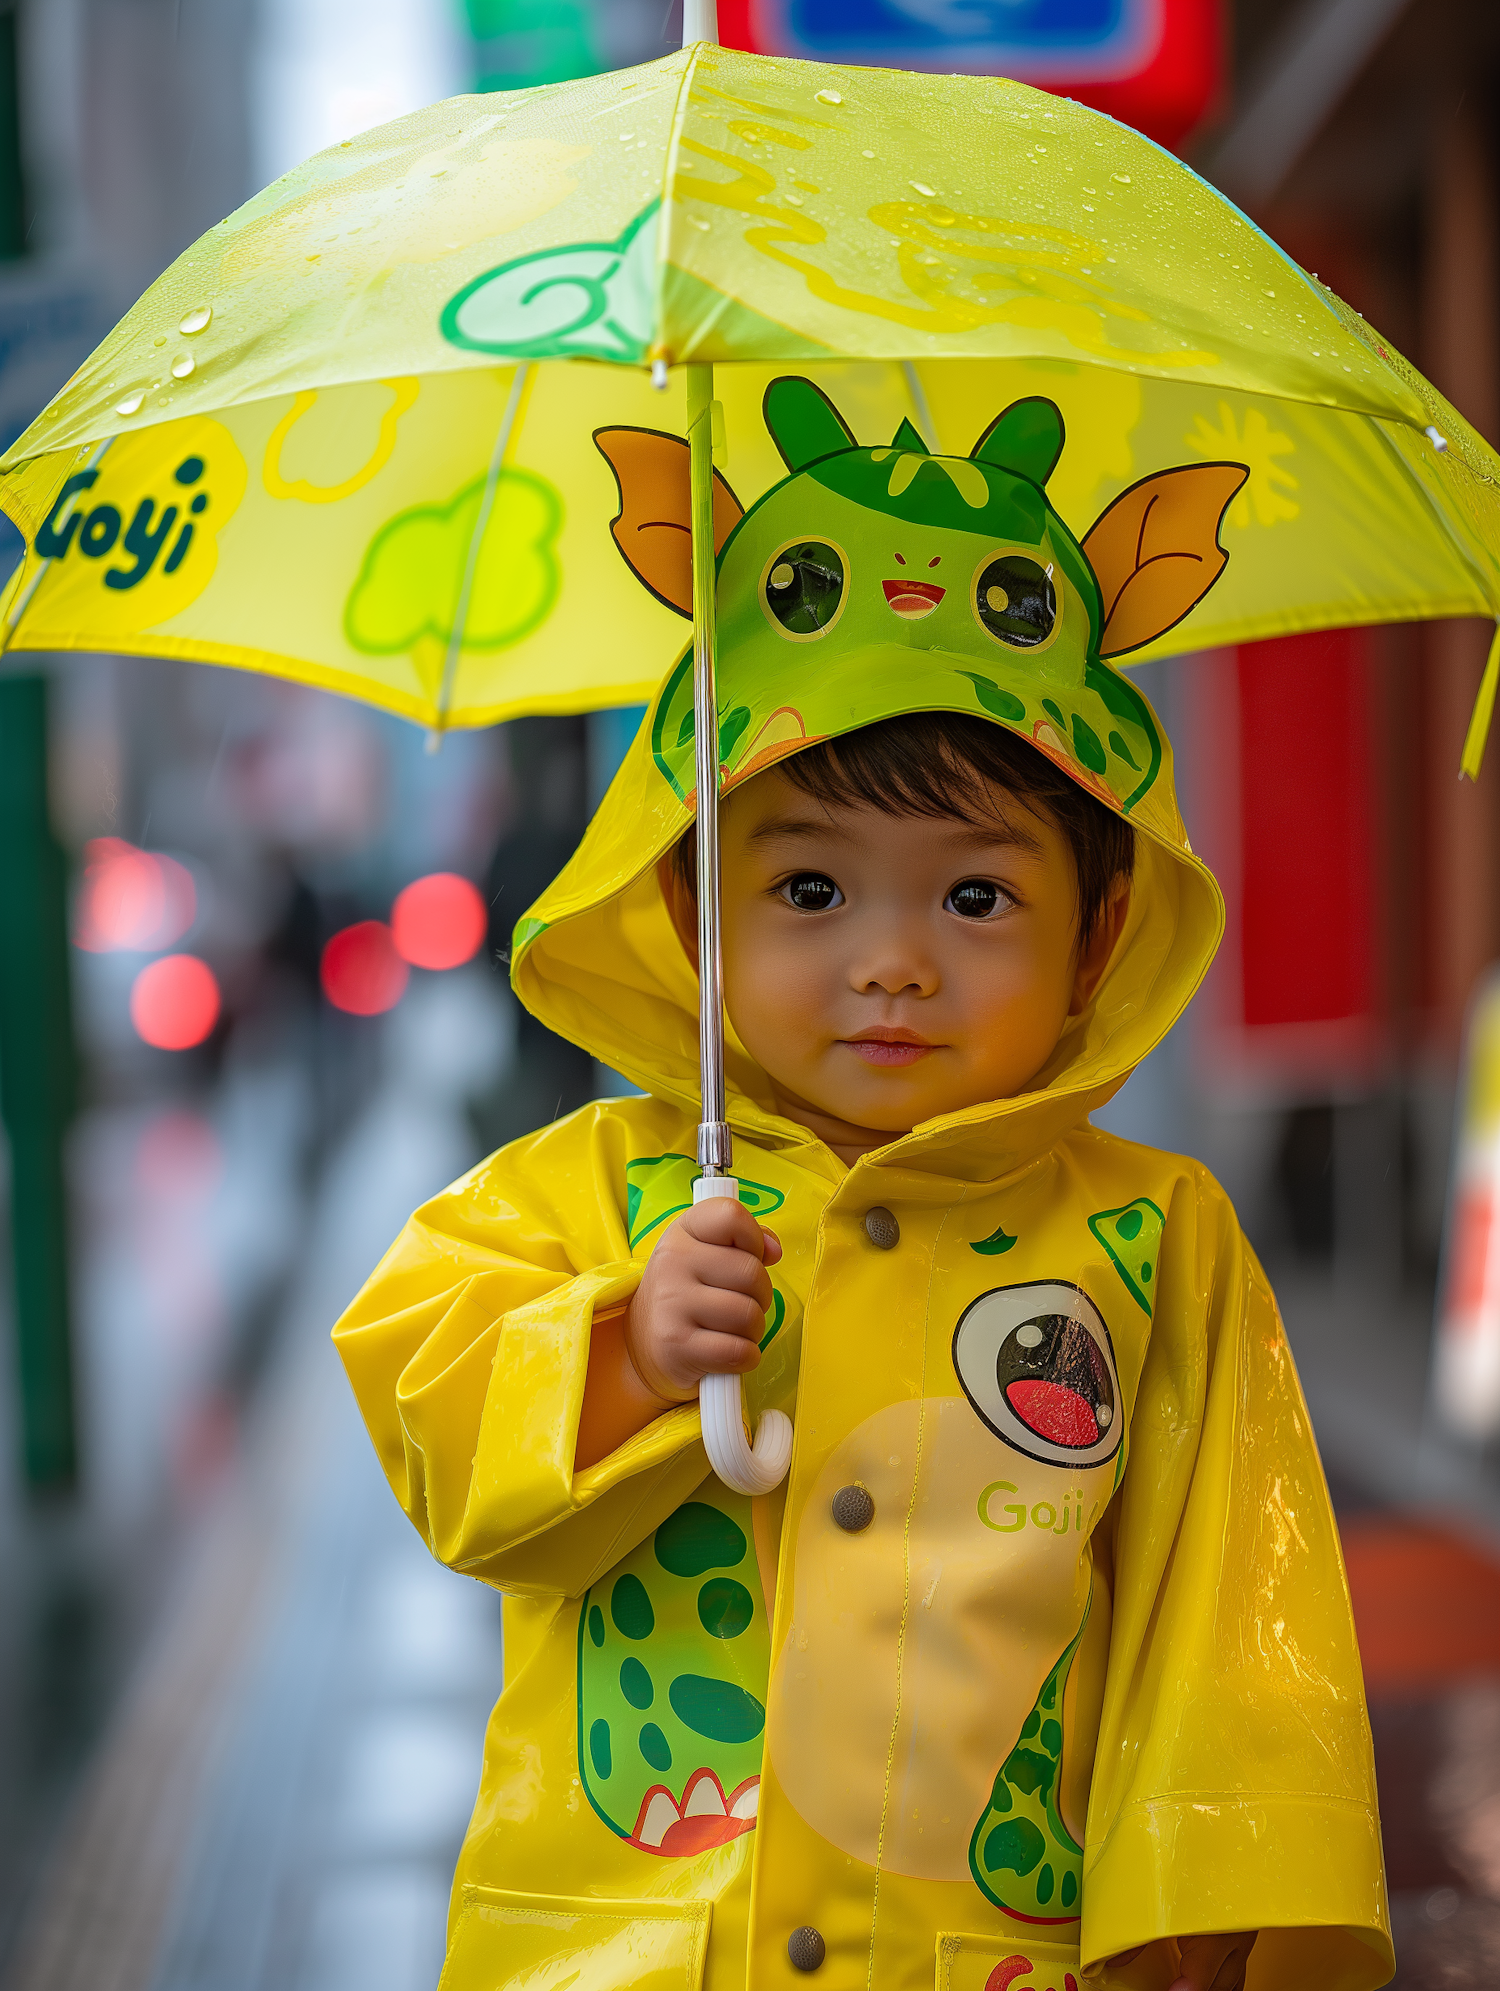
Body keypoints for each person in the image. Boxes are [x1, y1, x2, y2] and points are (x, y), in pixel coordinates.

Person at [334, 379, 1392, 1991]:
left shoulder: (1153, 1236)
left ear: (1095, 935)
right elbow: (424, 1385)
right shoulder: (596, 1192)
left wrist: (1201, 1919)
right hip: (630, 1956)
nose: (891, 963)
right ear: (693, 915)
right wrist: (622, 1346)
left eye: (977, 895)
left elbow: (1235, 1615)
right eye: (810, 887)